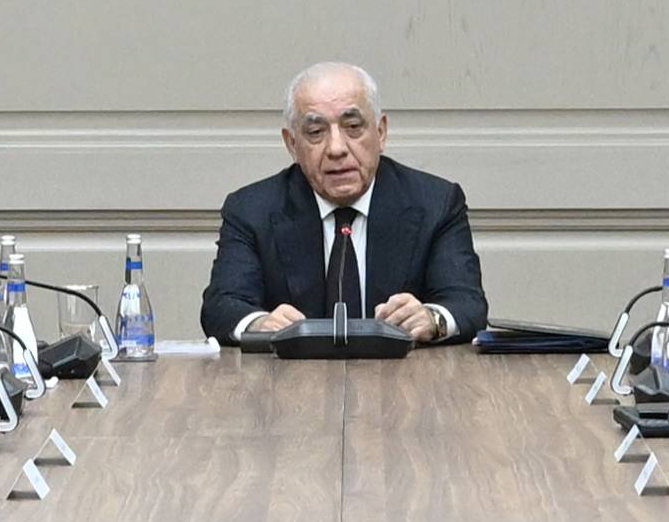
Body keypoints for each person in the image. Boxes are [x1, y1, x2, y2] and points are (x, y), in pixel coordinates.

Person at [202, 62, 488, 340]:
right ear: (292, 144)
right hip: (292, 372)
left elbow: (467, 303)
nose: (336, 148)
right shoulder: (251, 210)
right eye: (316, 132)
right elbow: (221, 307)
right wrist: (259, 324)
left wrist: (432, 318)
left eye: (353, 127)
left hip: (403, 371)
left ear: (381, 132)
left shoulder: (436, 203)